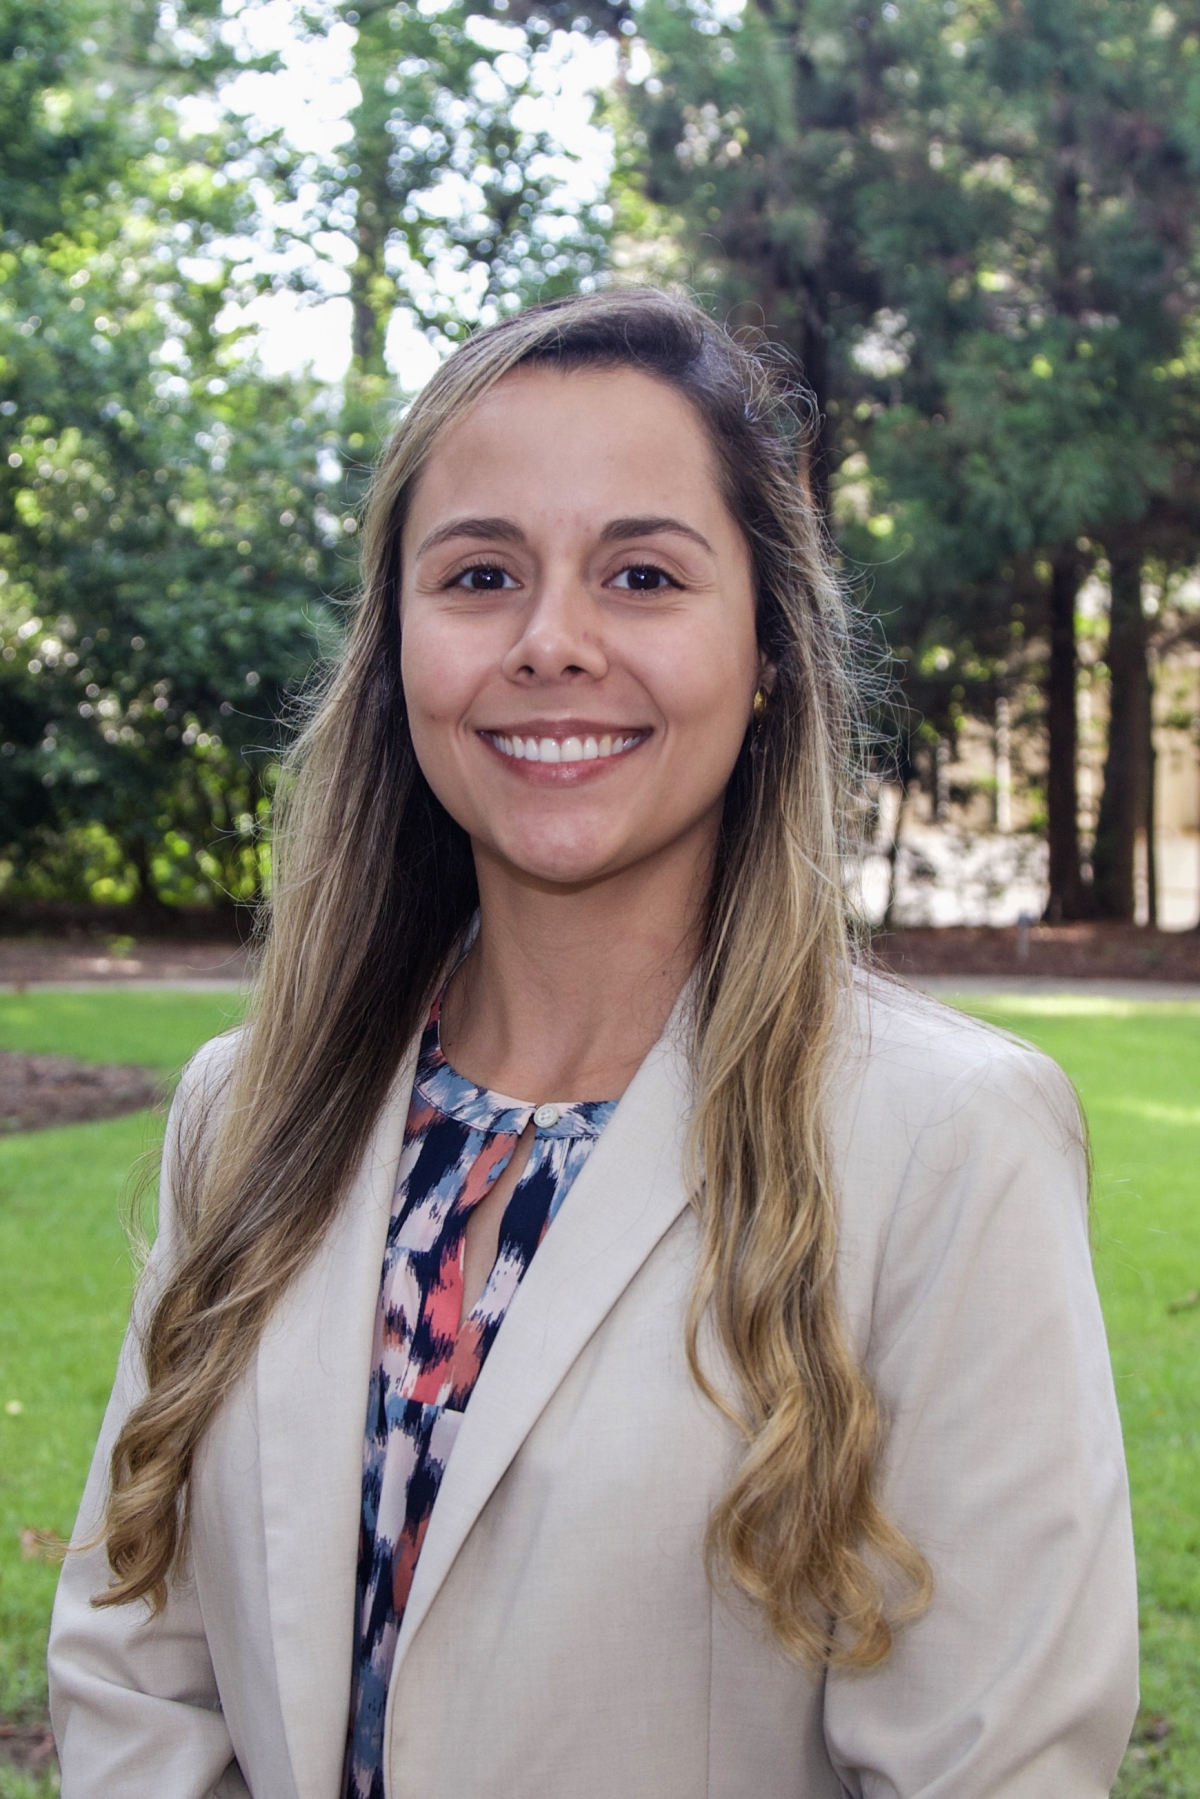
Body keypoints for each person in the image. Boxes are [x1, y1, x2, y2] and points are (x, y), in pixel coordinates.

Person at [49, 288, 1138, 1799]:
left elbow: (990, 1768)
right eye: (482, 573)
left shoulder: (948, 1144)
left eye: (640, 574)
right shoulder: (248, 1113)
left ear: (765, 650)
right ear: (399, 650)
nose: (553, 643)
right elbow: (135, 1667)